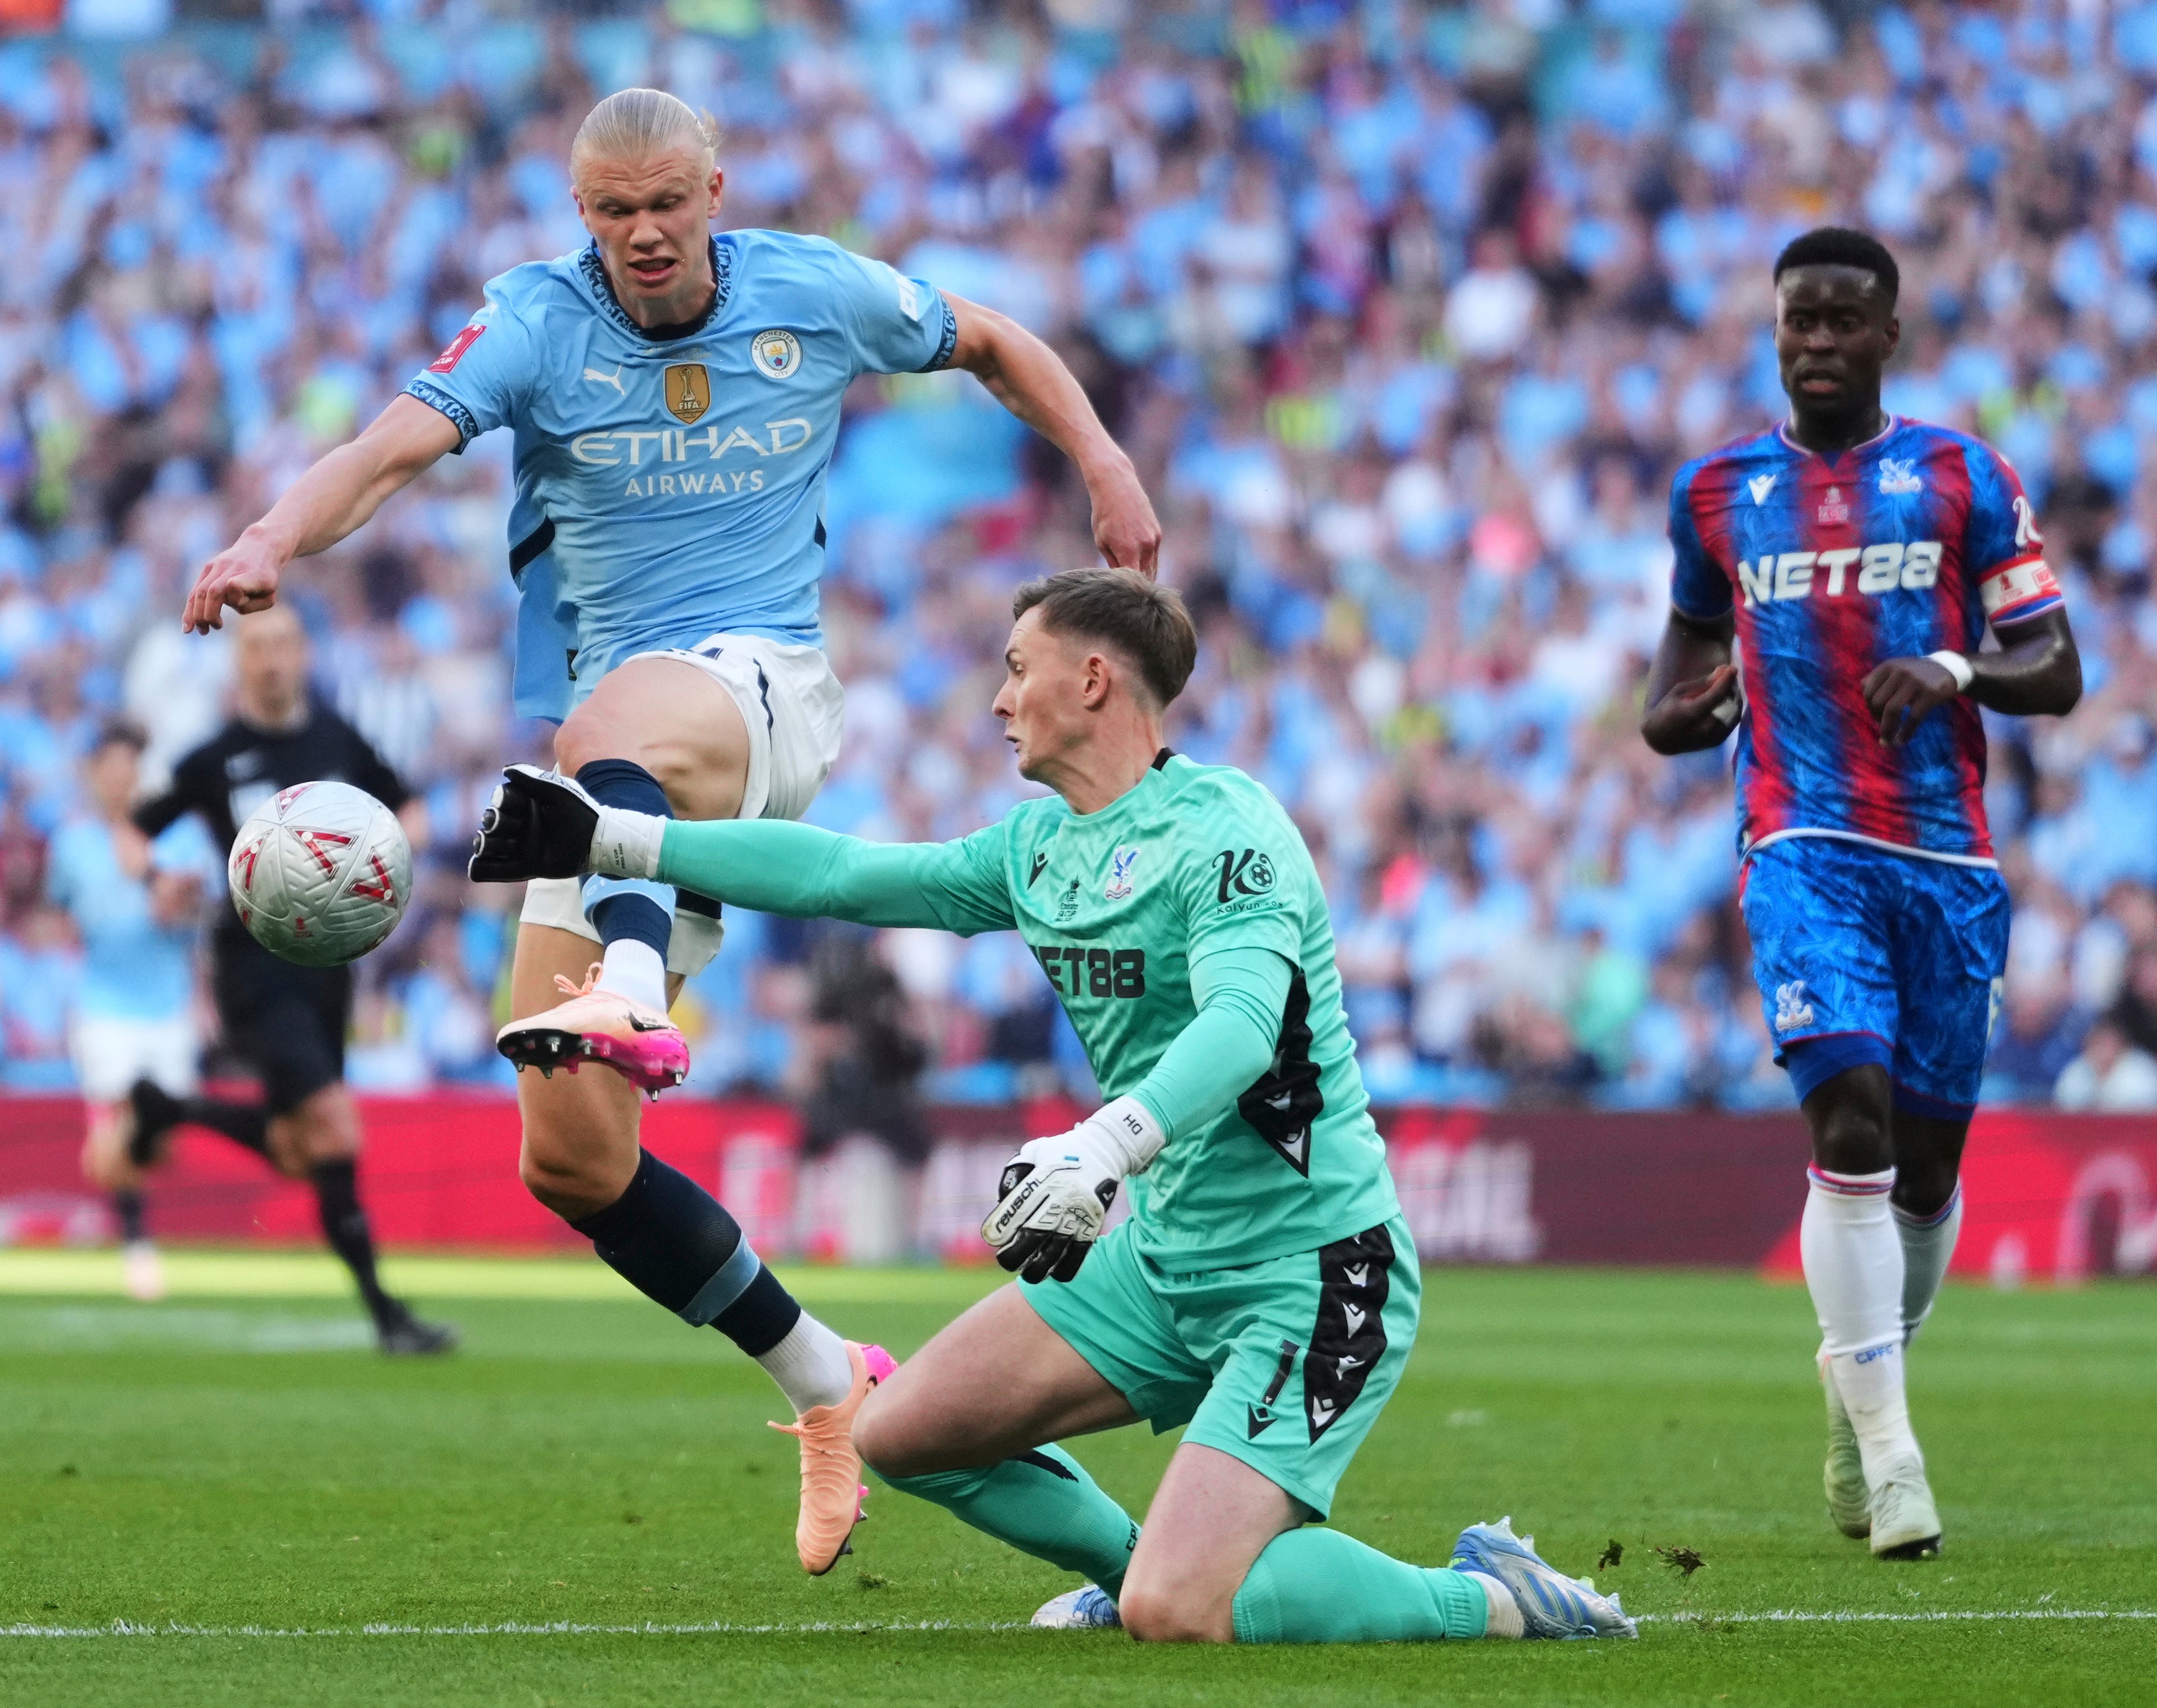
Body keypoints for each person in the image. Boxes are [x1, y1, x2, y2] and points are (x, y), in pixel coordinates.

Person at [181, 87, 1163, 1571]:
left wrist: (1101, 459)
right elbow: (384, 451)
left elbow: (992, 341)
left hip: (757, 691)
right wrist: (268, 535)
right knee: (572, 1156)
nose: (641, 233)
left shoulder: (812, 290)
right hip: (617, 776)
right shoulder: (534, 321)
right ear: (580, 212)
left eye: (663, 203)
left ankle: (630, 982)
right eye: (611, 210)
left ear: (713, 189)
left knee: (606, 729)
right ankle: (827, 1378)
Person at [470, 567, 1633, 1645]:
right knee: (899, 1431)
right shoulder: (1036, 847)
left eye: (1017, 667)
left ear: (1093, 678)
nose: (997, 698)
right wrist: (617, 837)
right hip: (1164, 1259)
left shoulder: (1228, 829)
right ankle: (1133, 1569)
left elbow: (1241, 1026)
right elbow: (841, 876)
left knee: (1184, 1610)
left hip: (1313, 1272)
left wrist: (1106, 1142)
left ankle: (1490, 1594)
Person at [1641, 228, 2082, 1559]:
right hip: (1799, 840)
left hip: (1944, 861)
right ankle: (1893, 1460)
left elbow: (2054, 666)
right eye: (1799, 320)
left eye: (1843, 320)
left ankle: (1857, 1383)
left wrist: (1955, 669)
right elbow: (1667, 692)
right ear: (1774, 331)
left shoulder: (1960, 475)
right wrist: (1685, 711)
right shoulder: (1716, 493)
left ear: (1889, 333)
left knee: (1927, 1169)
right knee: (1849, 1115)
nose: (1819, 341)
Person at [123, 607, 456, 1355]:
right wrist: (156, 879)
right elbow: (133, 830)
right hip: (254, 965)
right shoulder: (215, 757)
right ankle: (388, 1316)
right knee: (335, 1126)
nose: (270, 659)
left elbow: (411, 811)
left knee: (296, 1147)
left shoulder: (338, 740)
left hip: (329, 971)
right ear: (239, 662)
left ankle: (170, 1108)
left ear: (304, 653)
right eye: (256, 647)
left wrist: (384, 863)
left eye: (282, 644)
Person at [54, 721, 209, 1304]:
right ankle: (137, 1243)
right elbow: (63, 910)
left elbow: (203, 912)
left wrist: (181, 905)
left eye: (130, 769)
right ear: (95, 775)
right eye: (111, 769)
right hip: (104, 1004)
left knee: (159, 1138)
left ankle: (114, 1162)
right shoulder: (72, 844)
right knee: (118, 1114)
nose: (121, 781)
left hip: (167, 1002)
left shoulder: (180, 836)